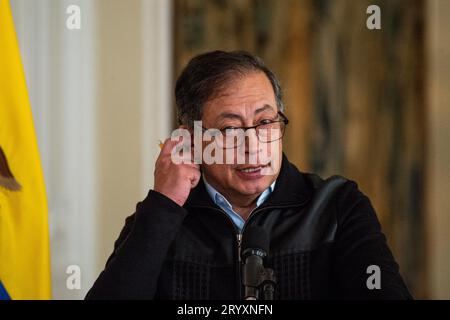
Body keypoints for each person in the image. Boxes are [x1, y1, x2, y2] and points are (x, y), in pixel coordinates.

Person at [86, 50, 412, 300]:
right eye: (229, 129)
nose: (252, 146)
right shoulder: (160, 219)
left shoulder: (338, 207)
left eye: (265, 122)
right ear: (191, 138)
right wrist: (163, 206)